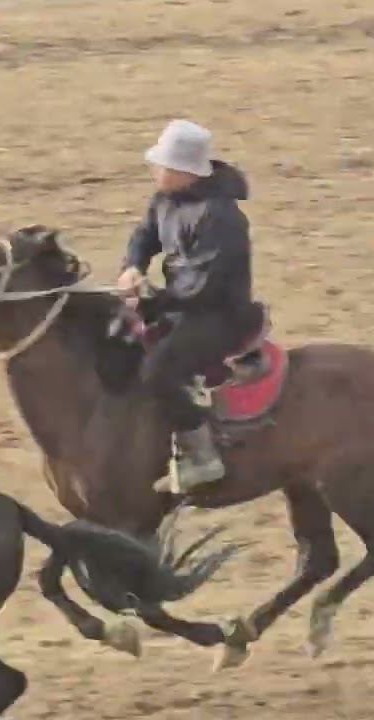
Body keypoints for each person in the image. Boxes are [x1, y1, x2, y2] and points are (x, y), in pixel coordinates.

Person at [117, 119, 265, 493]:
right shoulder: (165, 199)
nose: (154, 170)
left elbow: (204, 285)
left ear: (183, 171)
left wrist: (152, 297)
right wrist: (132, 266)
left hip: (217, 315)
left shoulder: (221, 216)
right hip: (178, 304)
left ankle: (203, 457)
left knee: (157, 371)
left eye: (161, 164)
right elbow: (143, 236)